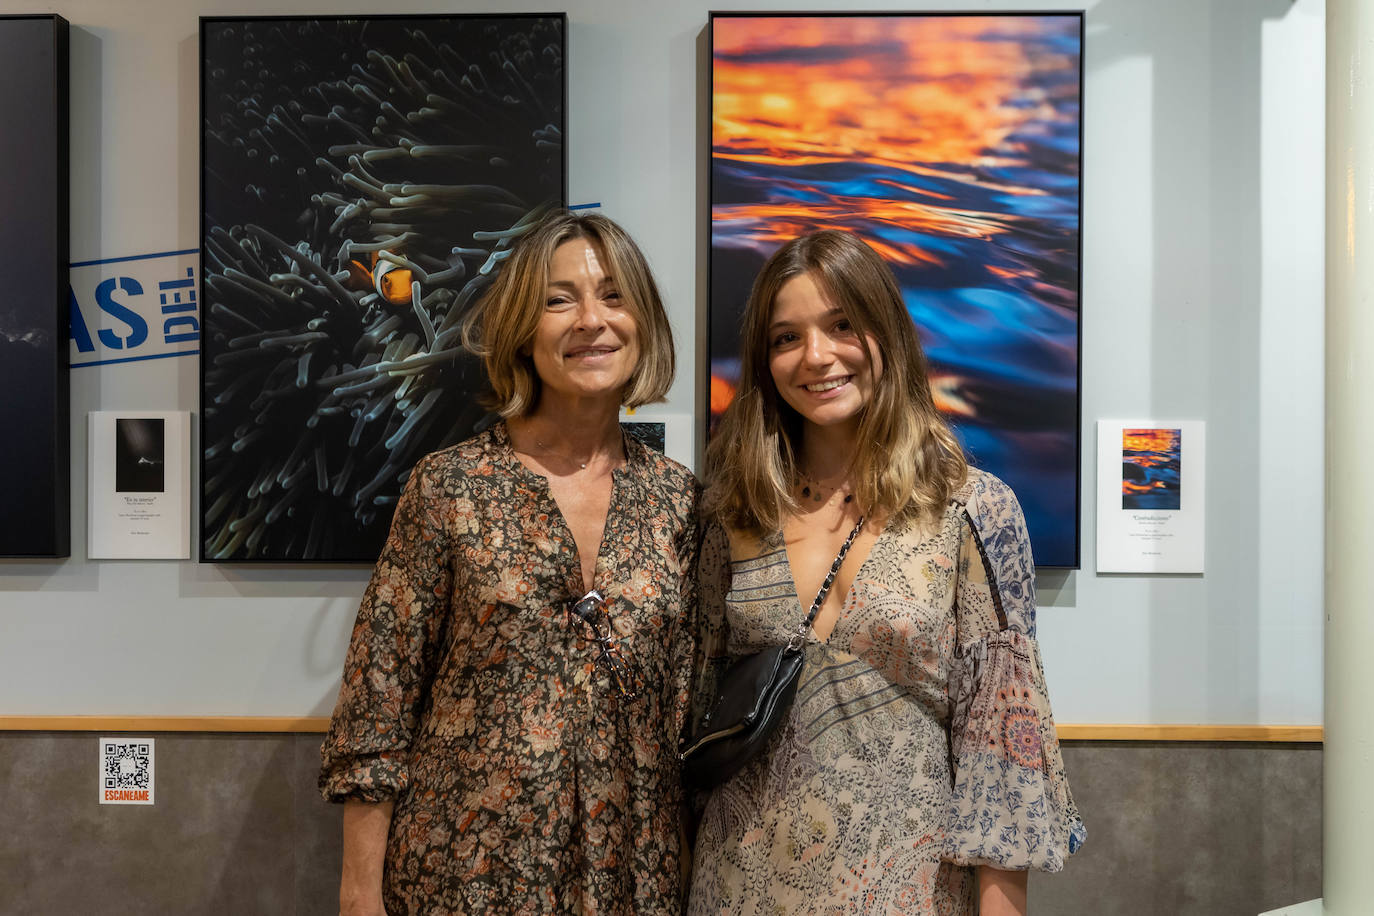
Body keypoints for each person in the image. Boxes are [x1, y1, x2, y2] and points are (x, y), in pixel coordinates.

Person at [687, 230, 1084, 915]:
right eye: (786, 337)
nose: (817, 356)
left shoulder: (970, 508)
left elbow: (1002, 746)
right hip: (737, 885)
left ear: (887, 335)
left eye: (842, 325)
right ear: (764, 360)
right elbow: (695, 709)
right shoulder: (735, 509)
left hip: (908, 889)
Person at [320, 209, 699, 915]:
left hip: (631, 879)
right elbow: (379, 704)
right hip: (465, 874)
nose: (592, 319)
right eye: (560, 300)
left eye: (614, 296)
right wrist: (358, 894)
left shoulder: (680, 503)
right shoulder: (449, 487)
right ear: (525, 329)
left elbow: (686, 715)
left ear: (642, 321)